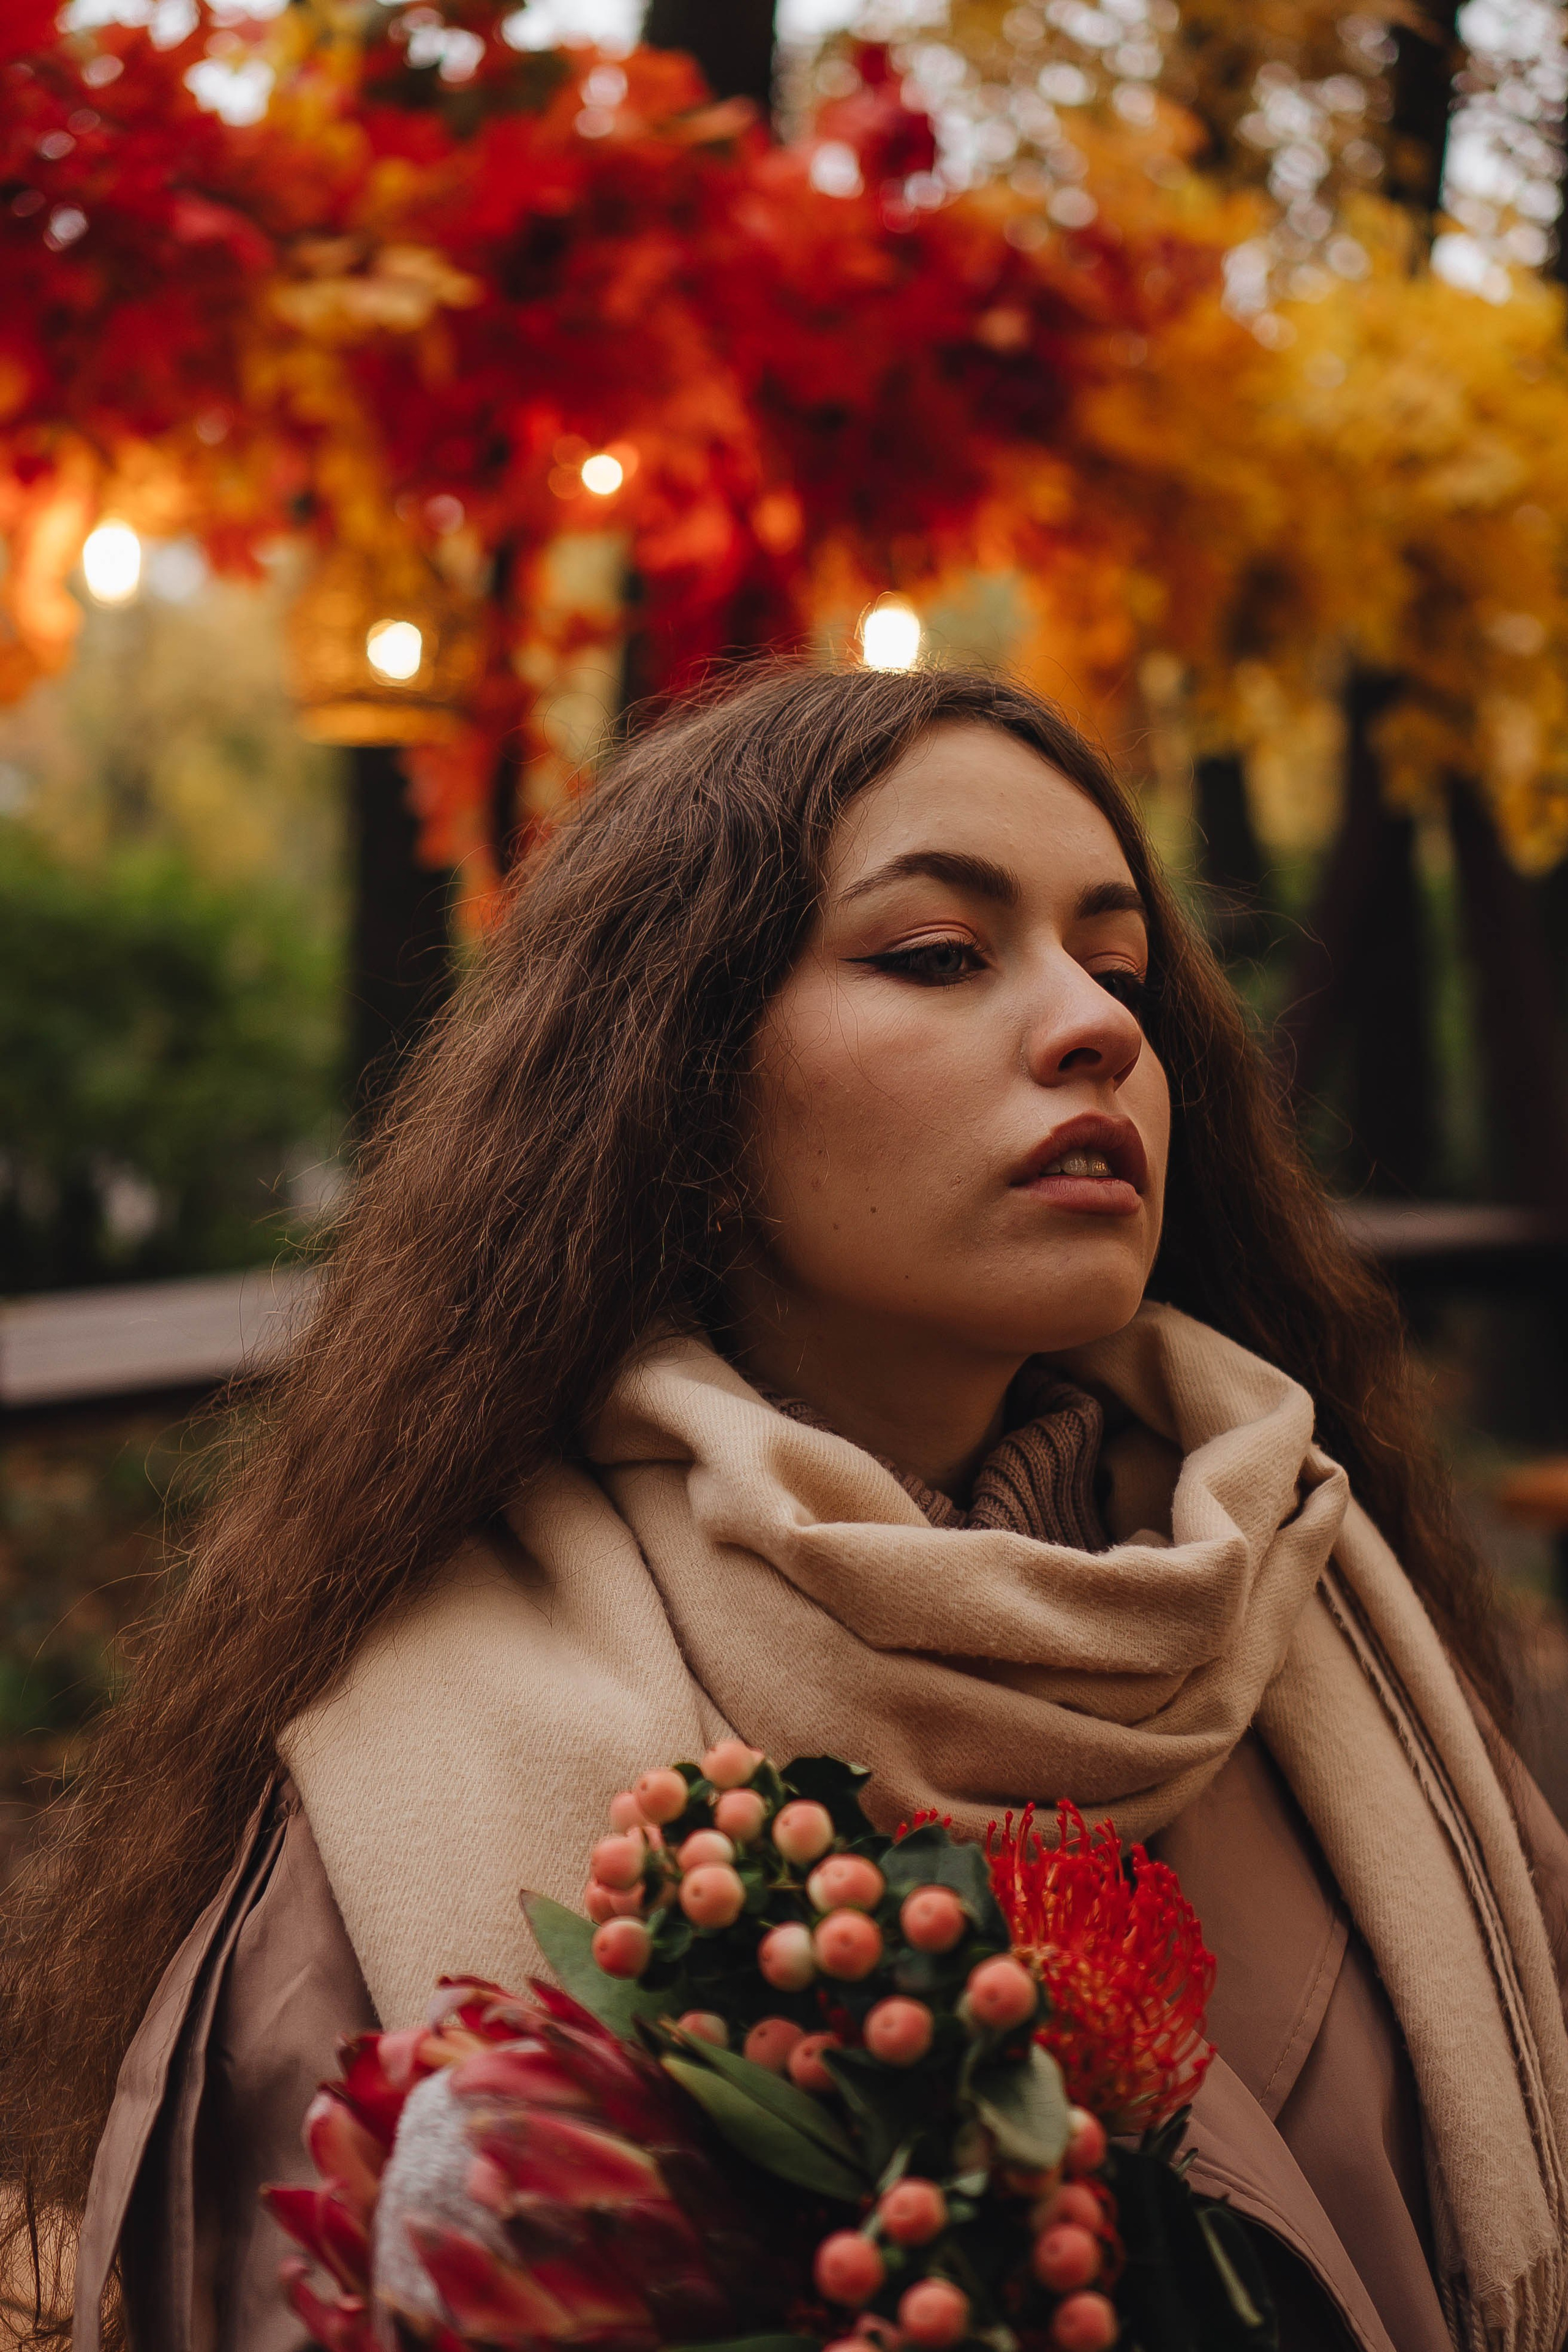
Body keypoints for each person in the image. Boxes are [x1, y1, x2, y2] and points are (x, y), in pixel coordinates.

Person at [6, 668, 1567, 2352]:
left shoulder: (1331, 1620)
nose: (1104, 1023)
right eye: (935, 956)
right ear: (678, 1077)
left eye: (1119, 967)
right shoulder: (402, 1797)